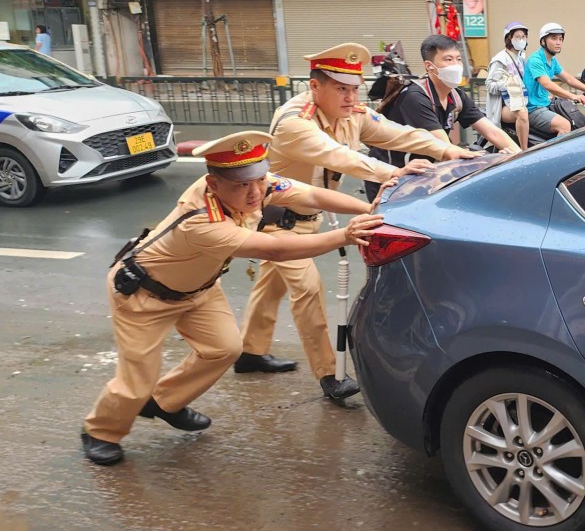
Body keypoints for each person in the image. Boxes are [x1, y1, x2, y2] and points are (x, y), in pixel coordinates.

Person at [81, 131, 389, 466]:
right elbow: (275, 249)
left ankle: (164, 402)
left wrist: (373, 210)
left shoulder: (257, 183)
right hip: (144, 295)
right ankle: (101, 431)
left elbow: (313, 195)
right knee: (136, 379)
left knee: (225, 349)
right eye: (241, 185)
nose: (255, 192)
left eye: (257, 180)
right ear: (213, 184)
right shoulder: (199, 221)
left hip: (200, 289)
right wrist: (345, 234)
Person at [236, 43, 473, 401]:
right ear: (315, 87)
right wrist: (395, 172)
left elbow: (397, 133)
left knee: (271, 285)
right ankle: (330, 373)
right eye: (340, 88)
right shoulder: (294, 123)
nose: (350, 97)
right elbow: (341, 157)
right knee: (308, 289)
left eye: (354, 88)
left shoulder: (351, 113)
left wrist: (448, 150)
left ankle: (250, 353)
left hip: (308, 216)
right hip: (275, 221)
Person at [364, 34, 518, 199]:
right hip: (392, 179)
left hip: (422, 175)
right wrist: (493, 161)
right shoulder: (414, 97)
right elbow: (445, 148)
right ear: (429, 66)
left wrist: (518, 157)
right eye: (448, 59)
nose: (456, 65)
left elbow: (492, 132)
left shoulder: (457, 96)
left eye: (458, 59)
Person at [523, 22, 585, 139]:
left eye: (560, 39)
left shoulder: (552, 61)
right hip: (533, 109)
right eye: (554, 38)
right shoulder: (536, 60)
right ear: (543, 41)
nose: (558, 42)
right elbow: (547, 84)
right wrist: (573, 96)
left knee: (575, 120)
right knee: (564, 126)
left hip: (545, 104)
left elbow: (568, 79)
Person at [485, 21, 531, 150]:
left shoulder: (521, 59)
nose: (521, 40)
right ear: (509, 39)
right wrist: (505, 84)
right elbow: (489, 84)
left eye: (523, 37)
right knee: (522, 112)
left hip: (520, 99)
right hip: (504, 106)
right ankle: (524, 150)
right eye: (517, 37)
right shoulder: (500, 59)